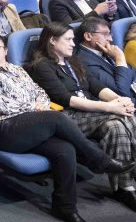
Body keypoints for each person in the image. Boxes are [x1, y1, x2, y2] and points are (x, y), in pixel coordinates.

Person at [0, 33, 135, 222]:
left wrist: (41, 102)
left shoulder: (17, 70)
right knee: (55, 118)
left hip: (33, 126)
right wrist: (33, 106)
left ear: (5, 51)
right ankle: (100, 160)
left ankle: (64, 207)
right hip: (5, 129)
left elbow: (40, 92)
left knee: (65, 149)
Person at [26, 22, 136, 212]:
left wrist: (120, 100)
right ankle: (125, 184)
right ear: (52, 40)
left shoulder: (74, 61)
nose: (73, 43)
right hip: (66, 117)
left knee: (121, 122)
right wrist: (110, 107)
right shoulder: (42, 66)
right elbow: (67, 99)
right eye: (68, 39)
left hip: (92, 110)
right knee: (118, 119)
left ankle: (124, 184)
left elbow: (97, 88)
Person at [73, 18, 136, 105]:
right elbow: (120, 92)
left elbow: (133, 71)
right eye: (105, 34)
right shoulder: (84, 61)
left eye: (110, 34)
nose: (110, 39)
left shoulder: (106, 51)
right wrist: (120, 59)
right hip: (127, 103)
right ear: (88, 36)